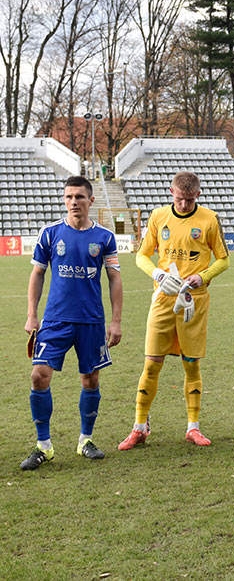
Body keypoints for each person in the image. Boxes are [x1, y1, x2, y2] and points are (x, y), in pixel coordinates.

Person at [119, 171, 230, 449]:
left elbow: (223, 260)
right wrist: (156, 273)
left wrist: (202, 277)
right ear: (171, 192)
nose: (183, 205)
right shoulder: (158, 217)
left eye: (189, 200)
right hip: (163, 299)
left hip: (194, 301)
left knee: (191, 364)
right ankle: (139, 427)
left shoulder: (209, 219)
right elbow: (141, 256)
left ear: (198, 196)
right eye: (180, 199)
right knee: (152, 363)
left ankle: (193, 427)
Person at [21, 176, 123, 470]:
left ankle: (85, 441)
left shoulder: (104, 237)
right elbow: (37, 274)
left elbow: (115, 278)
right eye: (68, 197)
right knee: (39, 375)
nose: (73, 202)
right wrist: (32, 314)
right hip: (55, 320)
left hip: (91, 321)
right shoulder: (50, 233)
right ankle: (44, 446)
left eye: (79, 196)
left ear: (91, 201)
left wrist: (115, 322)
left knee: (90, 379)